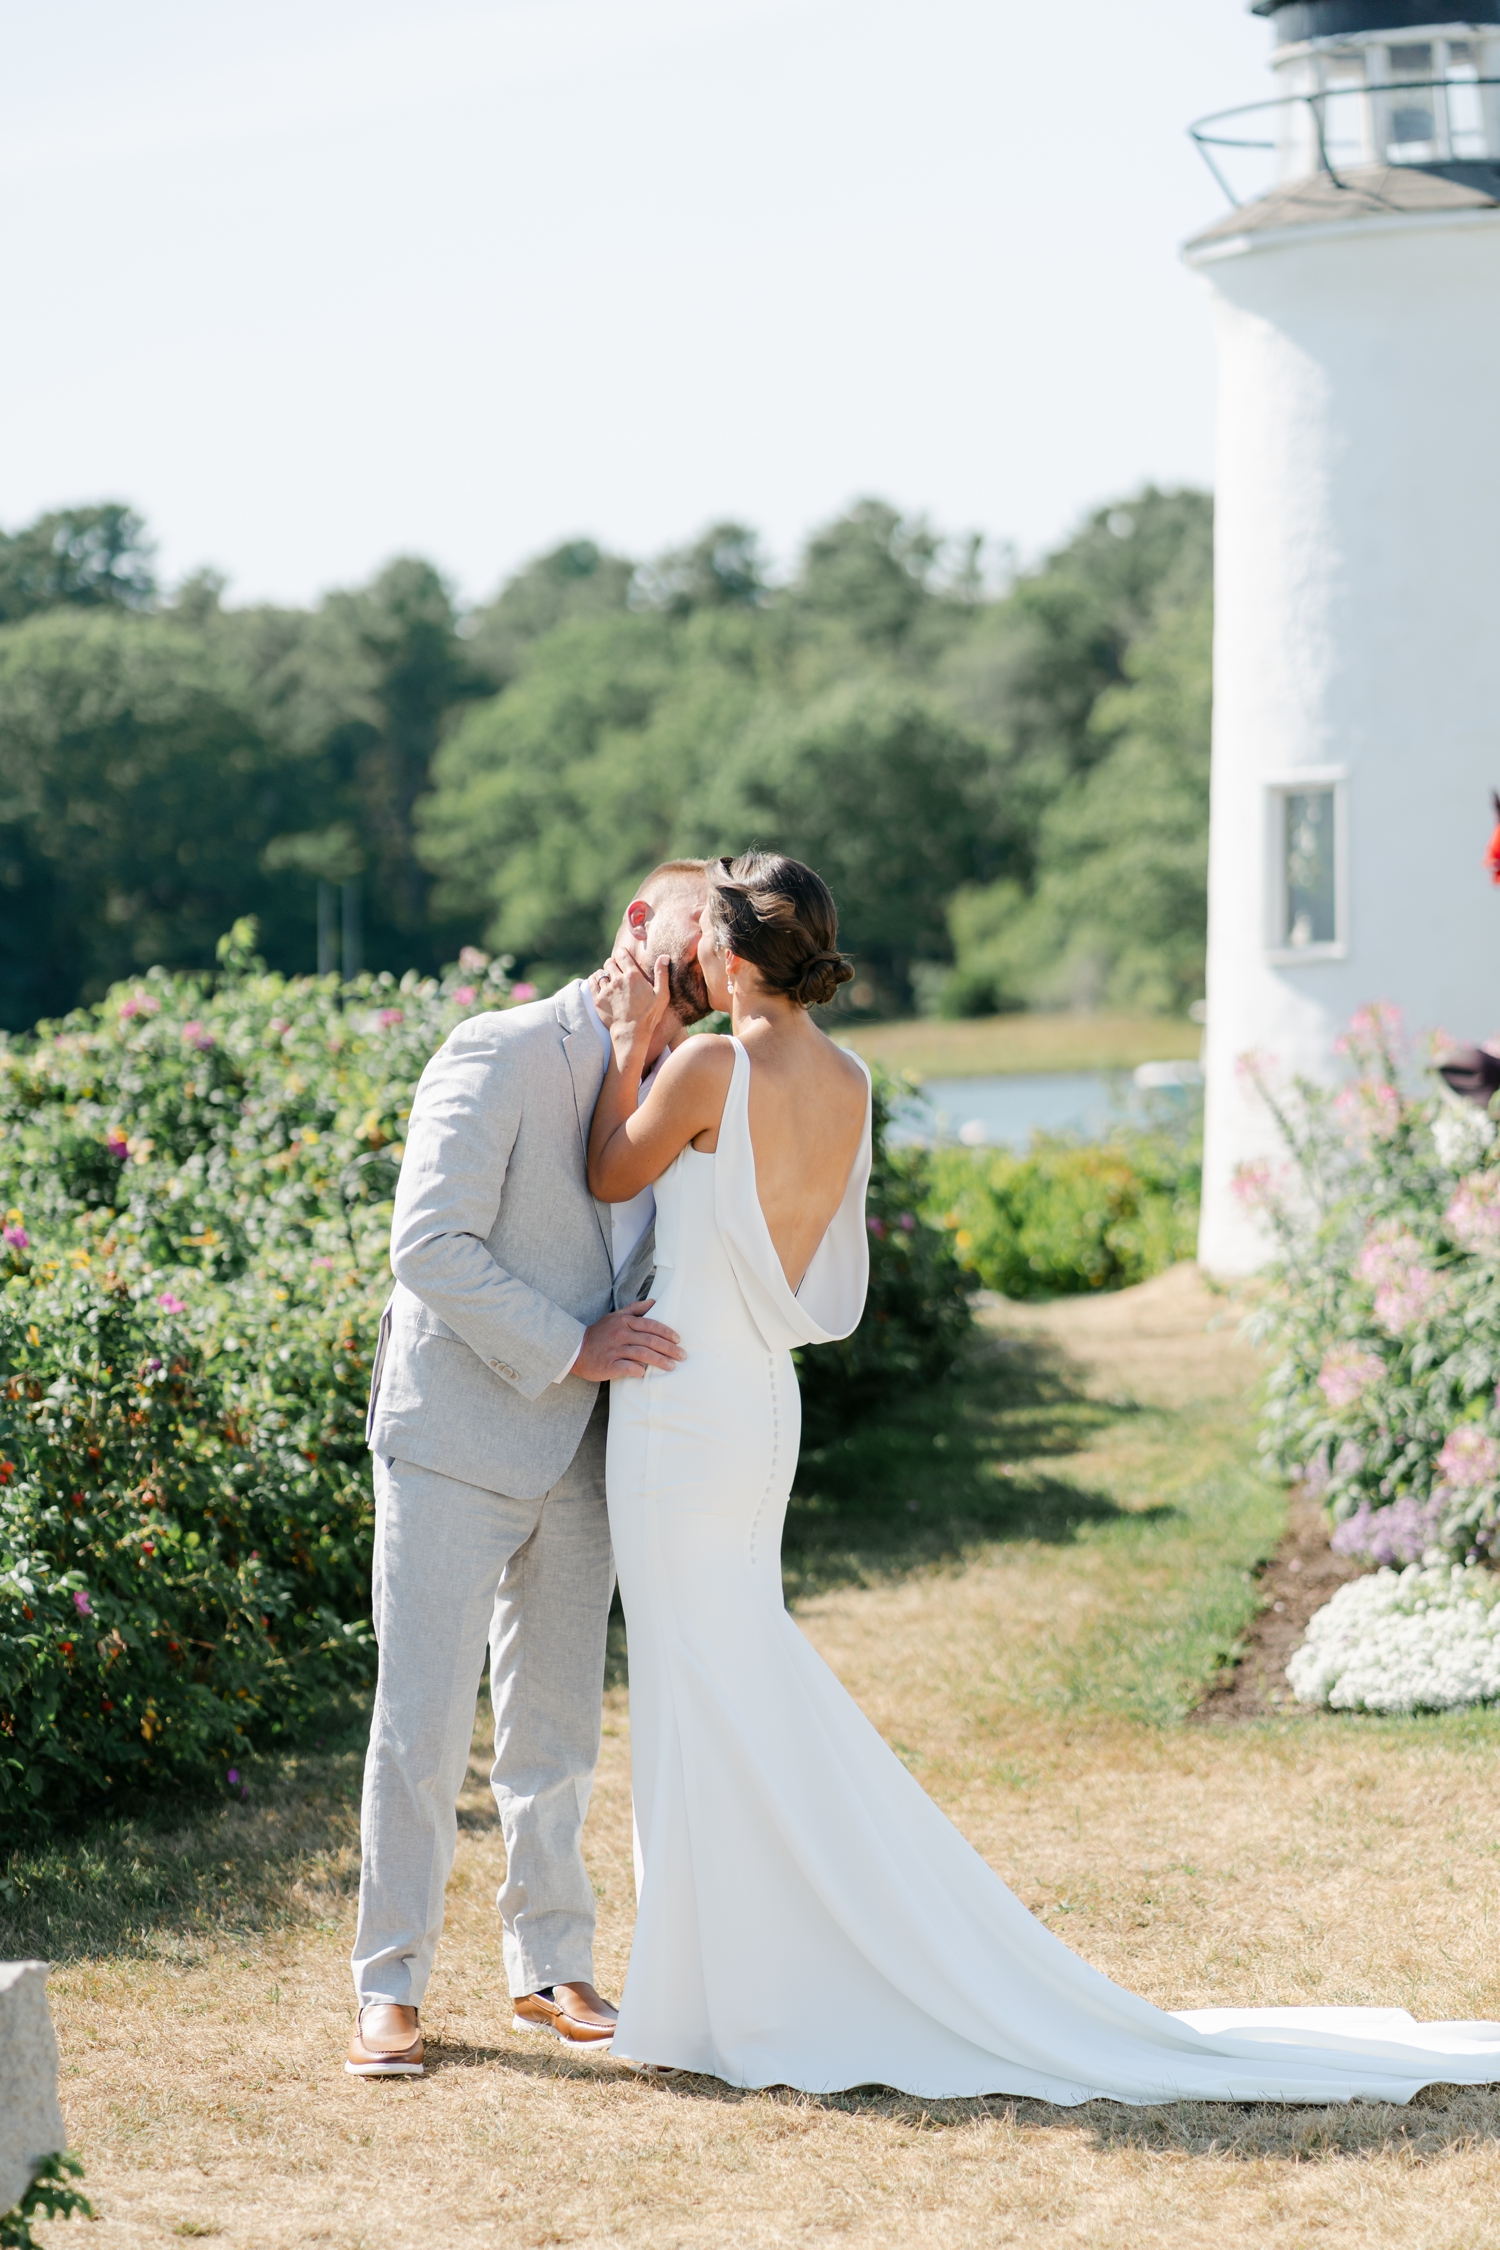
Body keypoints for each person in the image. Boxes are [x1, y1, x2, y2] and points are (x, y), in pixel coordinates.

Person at [585, 848, 1500, 2101]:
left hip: (681, 1400)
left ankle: (718, 1987)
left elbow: (608, 1172)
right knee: (731, 1667)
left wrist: (628, 1043)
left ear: (733, 958)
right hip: (760, 1405)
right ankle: (724, 1973)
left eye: (707, 936)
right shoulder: (848, 1082)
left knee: (695, 1679)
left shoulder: (704, 1067)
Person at [346, 860, 711, 2078]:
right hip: (455, 1434)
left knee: (555, 1731)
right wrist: (571, 1346)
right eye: (698, 931)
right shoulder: (499, 1049)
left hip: (595, 1450)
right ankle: (388, 1987)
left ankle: (552, 1964)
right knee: (422, 1724)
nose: (713, 959)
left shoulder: (691, 1080)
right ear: (638, 923)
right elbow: (428, 1244)